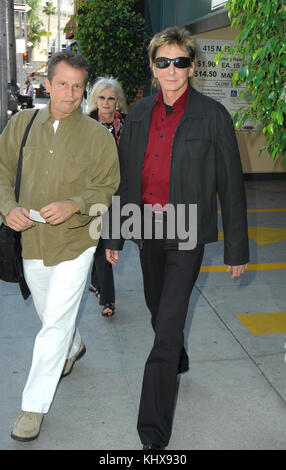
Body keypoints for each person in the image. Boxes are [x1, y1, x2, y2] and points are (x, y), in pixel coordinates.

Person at [104, 26, 249, 449]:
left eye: (180, 62)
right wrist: (113, 237)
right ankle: (178, 354)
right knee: (157, 308)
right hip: (146, 229)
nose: (172, 69)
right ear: (153, 67)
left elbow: (231, 185)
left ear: (191, 66)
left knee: (166, 329)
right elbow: (124, 178)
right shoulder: (140, 115)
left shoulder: (213, 115)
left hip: (187, 231)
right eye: (163, 62)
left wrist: (236, 248)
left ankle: (152, 433)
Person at [0, 50, 120, 441]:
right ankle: (75, 346)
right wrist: (8, 208)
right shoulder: (21, 124)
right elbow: (1, 170)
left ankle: (33, 407)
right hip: (32, 240)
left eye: (78, 87)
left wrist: (75, 205)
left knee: (53, 324)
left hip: (75, 242)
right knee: (51, 315)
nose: (70, 95)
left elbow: (107, 188)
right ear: (47, 83)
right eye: (63, 84)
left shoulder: (97, 137)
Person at [88, 77, 127, 316]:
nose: (105, 102)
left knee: (105, 241)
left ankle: (108, 299)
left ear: (117, 101)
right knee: (96, 242)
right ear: (95, 99)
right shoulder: (86, 122)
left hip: (117, 191)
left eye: (111, 98)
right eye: (101, 97)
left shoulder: (127, 124)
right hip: (91, 191)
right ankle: (96, 282)